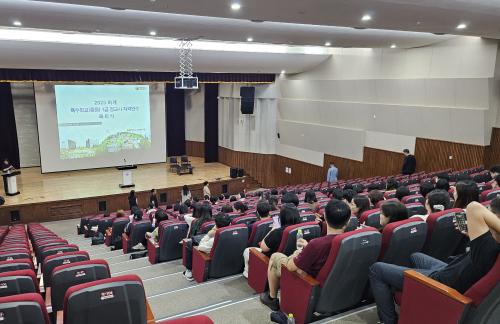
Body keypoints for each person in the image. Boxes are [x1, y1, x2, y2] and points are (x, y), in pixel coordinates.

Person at [369, 199, 500, 324]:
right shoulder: (490, 242)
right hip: (450, 271)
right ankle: (404, 289)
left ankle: (389, 320)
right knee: (415, 256)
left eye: (489, 213)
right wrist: (472, 234)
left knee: (376, 269)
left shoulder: (487, 246)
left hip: (441, 284)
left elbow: (474, 207)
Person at [260, 199, 351, 310]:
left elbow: (291, 267)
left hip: (310, 282)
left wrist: (297, 253)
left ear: (325, 217)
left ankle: (272, 298)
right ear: (348, 221)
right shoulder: (349, 240)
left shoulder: (316, 244)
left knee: (275, 257)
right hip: (335, 283)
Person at [183, 212, 231, 281]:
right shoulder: (239, 230)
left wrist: (209, 235)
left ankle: (189, 271)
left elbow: (200, 247)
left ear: (216, 224)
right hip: (228, 258)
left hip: (214, 259)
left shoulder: (213, 240)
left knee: (190, 244)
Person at [242, 200, 272, 277]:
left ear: (257, 213)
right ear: (269, 211)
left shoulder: (251, 226)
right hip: (270, 250)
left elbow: (247, 242)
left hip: (256, 251)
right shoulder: (276, 222)